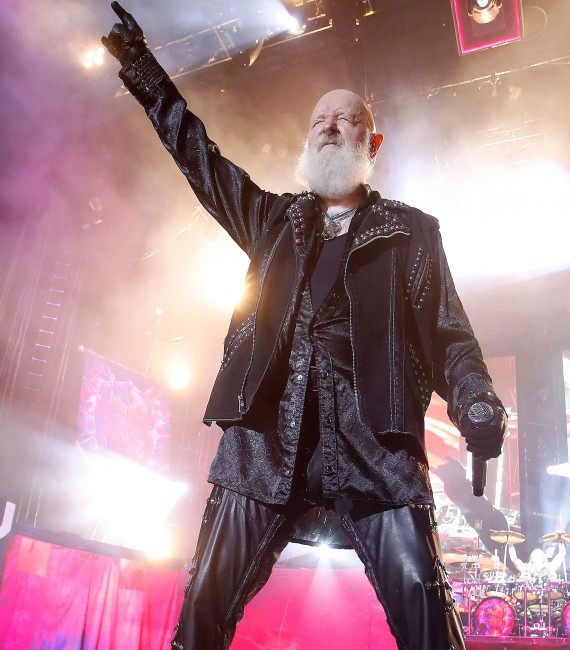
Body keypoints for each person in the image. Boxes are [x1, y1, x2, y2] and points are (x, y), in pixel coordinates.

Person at [102, 3, 508, 648]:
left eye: (346, 120)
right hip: (266, 439)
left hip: (375, 447)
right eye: (320, 120)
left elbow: (448, 334)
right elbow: (200, 159)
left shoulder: (411, 232)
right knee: (203, 608)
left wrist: (477, 401)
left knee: (426, 614)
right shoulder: (272, 222)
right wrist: (146, 73)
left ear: (371, 143)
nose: (330, 127)